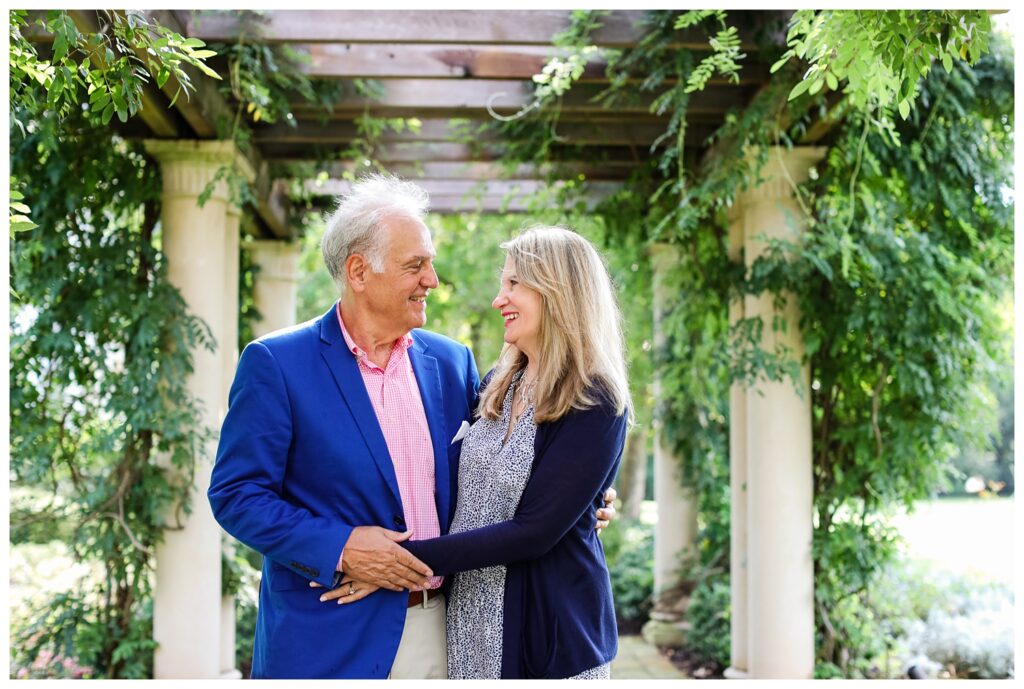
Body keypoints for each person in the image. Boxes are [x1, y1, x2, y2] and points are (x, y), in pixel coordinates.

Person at [208, 175, 615, 679]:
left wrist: (585, 496)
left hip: (444, 631)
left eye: (431, 263)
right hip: (325, 635)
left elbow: (508, 462)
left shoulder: (451, 363)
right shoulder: (276, 363)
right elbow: (237, 495)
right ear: (359, 271)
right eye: (415, 265)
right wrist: (342, 549)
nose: (432, 280)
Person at [320, 226, 631, 679]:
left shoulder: (595, 401)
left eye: (513, 285)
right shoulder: (496, 386)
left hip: (547, 637)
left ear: (558, 291)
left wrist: (396, 564)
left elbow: (533, 532)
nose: (498, 299)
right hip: (469, 623)